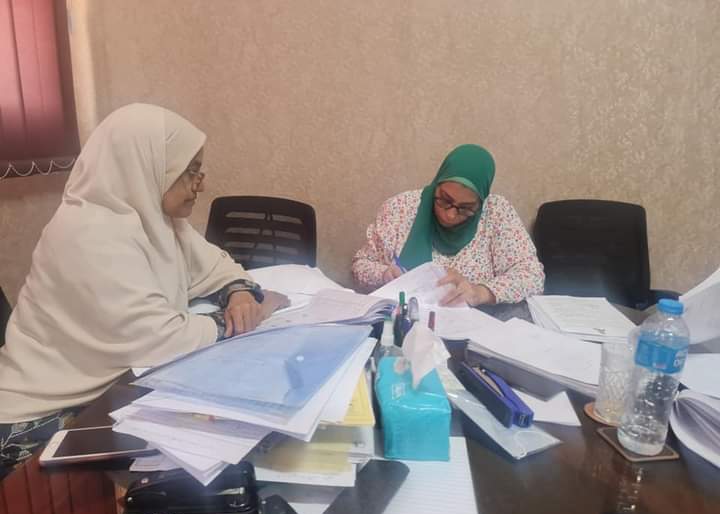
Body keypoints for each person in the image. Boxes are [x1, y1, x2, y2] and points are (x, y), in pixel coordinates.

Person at [0, 103, 285, 476]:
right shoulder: (88, 233)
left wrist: (240, 295)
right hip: (38, 416)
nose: (200, 183)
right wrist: (253, 316)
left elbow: (218, 266)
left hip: (104, 391)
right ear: (145, 164)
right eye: (190, 171)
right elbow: (159, 338)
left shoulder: (157, 219)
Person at [352, 144, 544, 305]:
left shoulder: (496, 212)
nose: (450, 215)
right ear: (437, 184)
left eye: (466, 208)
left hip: (474, 326)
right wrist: (383, 274)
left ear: (481, 202)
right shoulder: (400, 208)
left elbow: (532, 276)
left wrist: (480, 292)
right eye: (444, 200)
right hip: (407, 322)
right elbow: (360, 265)